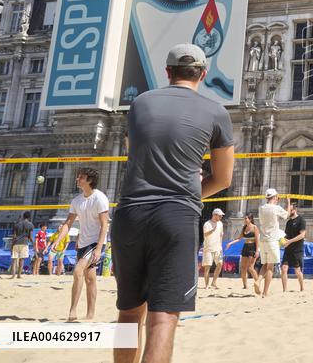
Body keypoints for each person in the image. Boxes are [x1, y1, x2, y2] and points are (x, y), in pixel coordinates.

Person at [111, 44, 235, 363]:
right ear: (203, 74)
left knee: (128, 315)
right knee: (163, 318)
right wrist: (189, 191)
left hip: (130, 213)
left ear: (167, 72)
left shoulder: (139, 104)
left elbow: (135, 151)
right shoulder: (216, 112)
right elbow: (223, 179)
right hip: (176, 216)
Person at [53, 167, 109, 322]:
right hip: (83, 242)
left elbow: (105, 225)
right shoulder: (76, 201)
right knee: (90, 279)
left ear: (89, 180)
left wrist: (98, 248)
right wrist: (57, 240)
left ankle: (72, 311)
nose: (77, 179)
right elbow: (68, 224)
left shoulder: (100, 198)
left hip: (95, 242)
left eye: (81, 177)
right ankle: (90, 315)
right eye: (78, 177)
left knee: (77, 271)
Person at [257, 189, 290, 298]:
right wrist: (288, 202)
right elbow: (287, 215)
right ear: (275, 197)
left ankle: (258, 280)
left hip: (262, 240)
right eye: (277, 198)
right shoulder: (276, 208)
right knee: (270, 267)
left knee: (265, 264)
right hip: (272, 240)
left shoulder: (261, 208)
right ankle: (265, 293)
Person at [227, 213, 260, 294]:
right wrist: (230, 243)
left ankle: (258, 283)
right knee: (243, 267)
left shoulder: (254, 227)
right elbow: (239, 239)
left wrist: (257, 250)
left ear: (250, 219)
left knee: (250, 268)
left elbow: (257, 240)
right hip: (245, 246)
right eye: (244, 218)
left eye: (246, 218)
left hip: (252, 247)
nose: (244, 220)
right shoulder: (244, 227)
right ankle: (245, 285)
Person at [281, 201, 307, 292]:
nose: (288, 212)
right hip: (288, 249)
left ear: (295, 210)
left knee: (297, 270)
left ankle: (302, 288)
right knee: (284, 269)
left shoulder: (301, 220)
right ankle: (284, 290)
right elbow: (286, 235)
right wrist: (282, 241)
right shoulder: (288, 222)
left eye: (290, 210)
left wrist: (290, 241)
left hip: (297, 249)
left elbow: (302, 235)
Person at [201, 208, 225, 289]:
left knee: (220, 264)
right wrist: (212, 230)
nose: (221, 217)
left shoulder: (220, 223)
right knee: (207, 267)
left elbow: (221, 234)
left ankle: (214, 282)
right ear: (214, 215)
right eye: (220, 216)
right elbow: (205, 234)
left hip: (218, 247)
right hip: (208, 247)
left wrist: (221, 245)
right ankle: (207, 285)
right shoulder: (207, 224)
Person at [8, 211, 34, 279]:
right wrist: (33, 244)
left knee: (14, 259)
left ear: (23, 216)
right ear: (29, 217)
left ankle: (13, 275)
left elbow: (14, 236)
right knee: (21, 260)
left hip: (16, 243)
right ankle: (19, 275)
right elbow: (30, 237)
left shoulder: (17, 224)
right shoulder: (30, 225)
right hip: (24, 243)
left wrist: (11, 245)